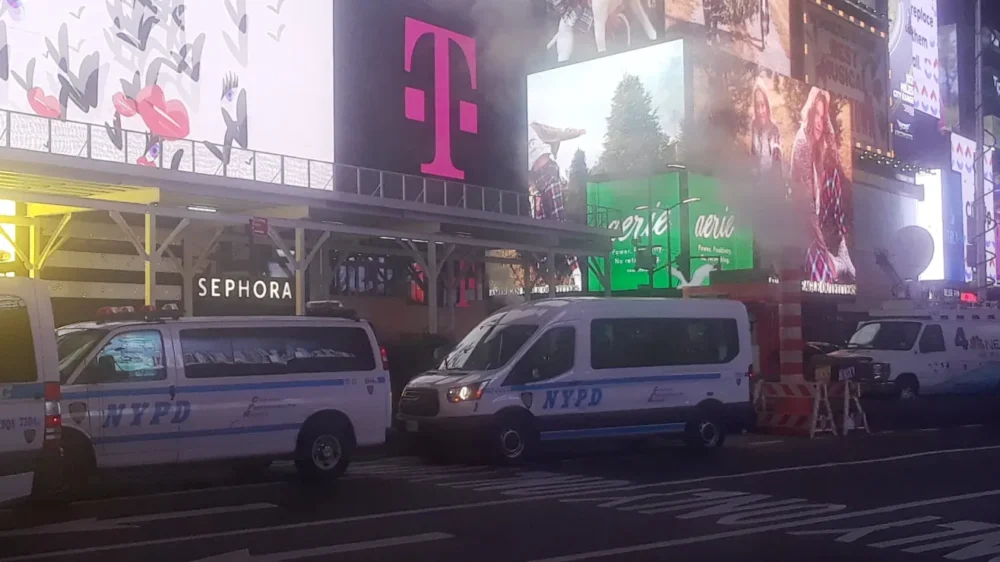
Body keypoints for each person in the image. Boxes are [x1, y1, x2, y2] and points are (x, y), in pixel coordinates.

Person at [790, 87, 856, 283]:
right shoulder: (802, 144)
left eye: (823, 116)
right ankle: (833, 261)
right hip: (803, 225)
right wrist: (824, 252)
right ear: (809, 114)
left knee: (833, 172)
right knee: (825, 275)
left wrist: (826, 119)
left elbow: (835, 155)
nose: (819, 122)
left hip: (820, 217)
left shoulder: (818, 144)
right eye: (816, 115)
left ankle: (842, 248)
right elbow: (807, 209)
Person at [750, 78, 782, 175]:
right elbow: (753, 158)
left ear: (767, 105)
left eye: (762, 105)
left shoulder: (774, 129)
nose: (760, 111)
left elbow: (777, 169)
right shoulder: (754, 126)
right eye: (757, 106)